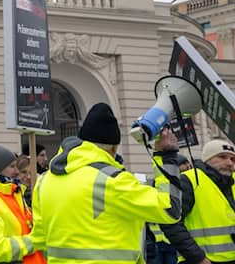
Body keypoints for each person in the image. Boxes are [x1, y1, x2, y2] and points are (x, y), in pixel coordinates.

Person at [30, 102, 183, 264]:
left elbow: (39, 238)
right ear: (113, 148)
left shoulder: (44, 181)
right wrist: (166, 156)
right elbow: (170, 209)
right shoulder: (112, 180)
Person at [160, 138, 235, 264]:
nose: (229, 163)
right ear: (207, 159)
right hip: (201, 260)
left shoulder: (231, 182)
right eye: (222, 157)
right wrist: (197, 257)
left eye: (233, 159)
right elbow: (170, 221)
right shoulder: (189, 180)